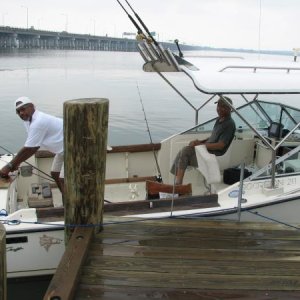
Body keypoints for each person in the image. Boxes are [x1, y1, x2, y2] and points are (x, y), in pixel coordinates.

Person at [0, 96, 64, 195]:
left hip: (72, 148)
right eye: (18, 111)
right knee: (55, 174)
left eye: (23, 109)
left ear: (32, 106)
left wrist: (9, 166)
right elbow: (30, 145)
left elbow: (31, 148)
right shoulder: (28, 121)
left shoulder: (39, 121)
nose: (21, 113)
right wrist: (16, 163)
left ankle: (73, 206)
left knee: (63, 179)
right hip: (62, 150)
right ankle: (66, 198)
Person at [170, 96, 236, 185]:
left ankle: (178, 185)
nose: (219, 109)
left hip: (215, 154)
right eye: (218, 106)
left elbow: (221, 145)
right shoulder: (219, 120)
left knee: (185, 152)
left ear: (230, 109)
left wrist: (200, 145)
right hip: (207, 150)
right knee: (185, 150)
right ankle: (177, 183)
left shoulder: (229, 124)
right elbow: (213, 138)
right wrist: (200, 142)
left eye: (223, 106)